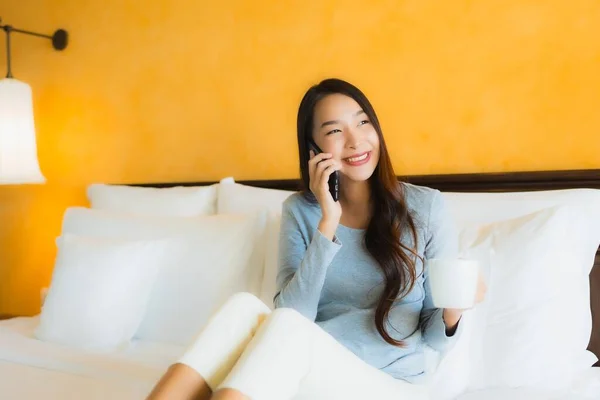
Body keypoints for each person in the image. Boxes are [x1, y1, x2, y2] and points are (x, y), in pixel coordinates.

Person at [146, 78, 486, 400]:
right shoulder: (301, 211)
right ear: (313, 149)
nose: (355, 141)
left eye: (363, 123)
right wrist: (328, 221)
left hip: (393, 383)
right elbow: (293, 315)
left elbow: (435, 341)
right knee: (244, 307)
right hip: (315, 370)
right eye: (335, 131)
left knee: (283, 329)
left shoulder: (425, 207)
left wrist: (454, 308)